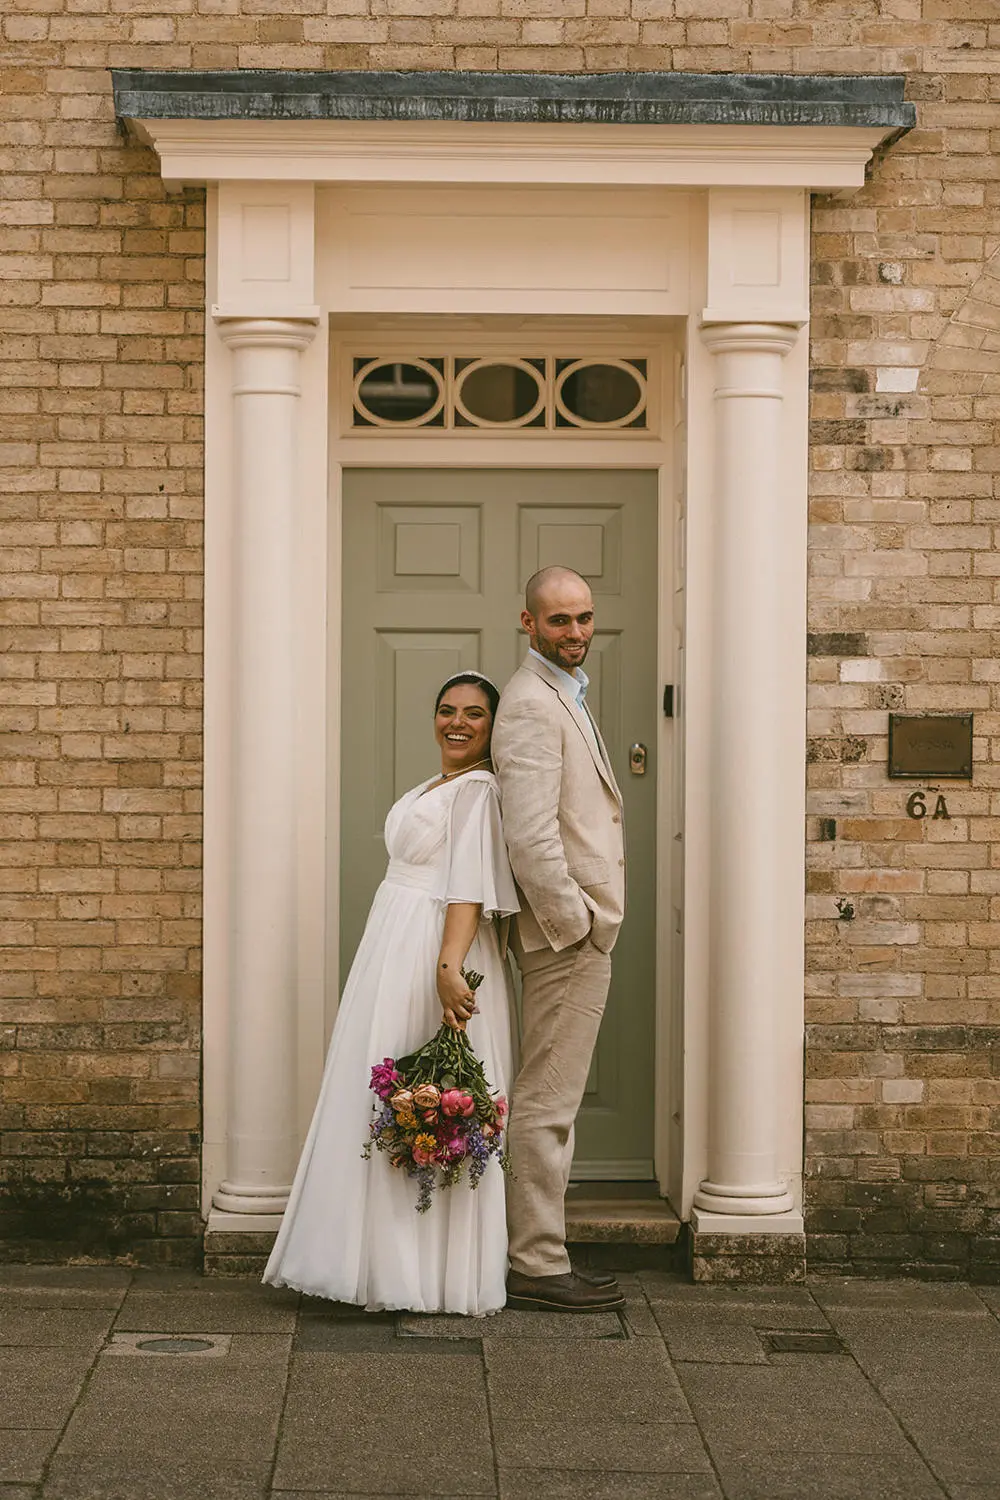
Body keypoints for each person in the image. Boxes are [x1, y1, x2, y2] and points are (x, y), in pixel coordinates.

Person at [263, 672, 518, 1316]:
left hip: (435, 946)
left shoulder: (479, 791)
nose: (456, 723)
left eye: (474, 715)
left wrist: (447, 967)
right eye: (446, 711)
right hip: (394, 942)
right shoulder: (433, 787)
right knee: (387, 1085)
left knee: (430, 1088)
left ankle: (426, 1274)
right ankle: (375, 1263)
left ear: (493, 727)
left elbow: (467, 888)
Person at [491, 567, 627, 1313]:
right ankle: (537, 1262)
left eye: (583, 619)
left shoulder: (562, 692)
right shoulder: (530, 705)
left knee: (552, 1095)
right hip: (564, 938)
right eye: (558, 622)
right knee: (548, 1099)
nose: (574, 633)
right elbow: (531, 834)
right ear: (528, 622)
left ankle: (542, 1251)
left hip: (574, 932)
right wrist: (577, 923)